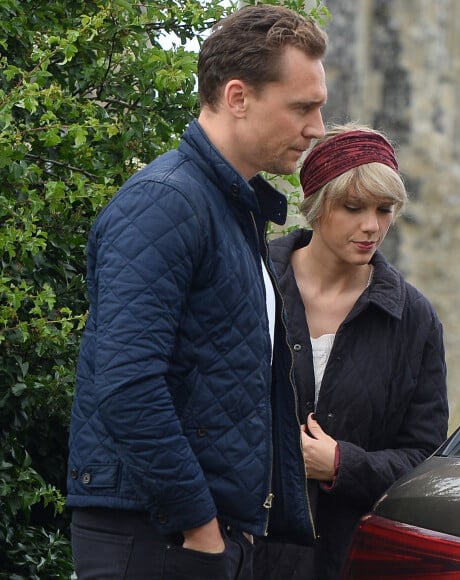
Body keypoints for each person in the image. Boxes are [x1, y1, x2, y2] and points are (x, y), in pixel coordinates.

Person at [66, 5, 328, 579]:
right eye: (302, 108)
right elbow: (127, 379)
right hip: (157, 537)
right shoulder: (167, 203)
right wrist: (200, 529)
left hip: (197, 537)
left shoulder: (232, 208)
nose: (317, 128)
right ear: (237, 97)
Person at [253, 124, 449, 580]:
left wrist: (342, 464)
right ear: (317, 207)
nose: (372, 226)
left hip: (349, 559)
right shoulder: (251, 279)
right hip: (241, 551)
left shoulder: (413, 319)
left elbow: (424, 457)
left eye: (385, 209)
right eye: (353, 207)